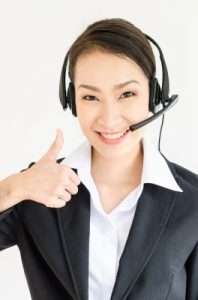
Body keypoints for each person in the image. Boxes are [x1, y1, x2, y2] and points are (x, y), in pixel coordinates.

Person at [0, 18, 198, 300]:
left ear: (155, 96)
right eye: (91, 97)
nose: (109, 118)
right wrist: (13, 188)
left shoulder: (192, 203)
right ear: (71, 100)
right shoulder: (37, 189)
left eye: (127, 94)